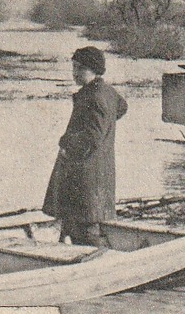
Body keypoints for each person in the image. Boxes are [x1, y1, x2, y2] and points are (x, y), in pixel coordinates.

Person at [43, 46, 128, 247]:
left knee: (85, 225)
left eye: (80, 69)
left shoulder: (95, 97)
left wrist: (67, 144)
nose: (74, 73)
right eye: (73, 67)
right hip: (94, 172)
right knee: (77, 222)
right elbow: (122, 107)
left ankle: (99, 264)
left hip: (86, 175)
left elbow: (93, 137)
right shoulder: (106, 92)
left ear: (94, 70)